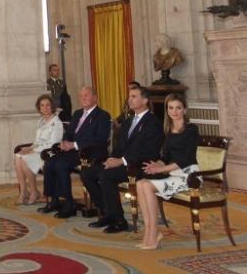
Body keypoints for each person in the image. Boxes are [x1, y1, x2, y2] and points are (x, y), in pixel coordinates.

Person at [81, 85, 163, 233]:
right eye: (129, 96)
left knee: (106, 176)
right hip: (122, 162)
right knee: (87, 173)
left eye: (133, 97)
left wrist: (121, 161)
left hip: (139, 165)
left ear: (144, 100)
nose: (129, 100)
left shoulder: (153, 122)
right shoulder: (129, 120)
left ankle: (119, 220)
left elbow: (149, 153)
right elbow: (119, 146)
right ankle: (107, 212)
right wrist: (111, 159)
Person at [135, 94, 199, 249]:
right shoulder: (169, 130)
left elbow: (186, 159)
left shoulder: (191, 129)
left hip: (189, 175)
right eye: (171, 108)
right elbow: (165, 156)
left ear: (184, 109)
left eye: (178, 108)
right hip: (173, 173)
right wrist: (155, 165)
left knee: (147, 186)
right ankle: (149, 231)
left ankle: (154, 232)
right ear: (167, 110)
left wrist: (162, 169)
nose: (174, 111)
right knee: (140, 184)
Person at [38, 86, 111, 218]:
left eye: (86, 95)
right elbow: (70, 132)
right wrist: (64, 142)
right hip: (72, 151)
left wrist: (75, 145)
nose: (83, 98)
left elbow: (99, 139)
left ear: (95, 97)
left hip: (90, 152)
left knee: (61, 164)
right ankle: (54, 200)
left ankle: (69, 204)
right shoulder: (77, 113)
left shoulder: (103, 115)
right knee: (50, 163)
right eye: (81, 96)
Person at [14, 94, 64, 205]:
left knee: (25, 159)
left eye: (47, 105)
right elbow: (37, 141)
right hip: (38, 151)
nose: (45, 108)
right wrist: (30, 147)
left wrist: (33, 151)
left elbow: (53, 144)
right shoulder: (41, 121)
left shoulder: (57, 123)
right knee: (18, 156)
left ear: (52, 106)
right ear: (39, 108)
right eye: (42, 105)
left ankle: (33, 192)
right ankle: (23, 191)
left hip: (49, 154)